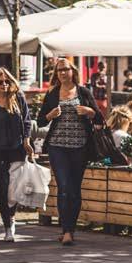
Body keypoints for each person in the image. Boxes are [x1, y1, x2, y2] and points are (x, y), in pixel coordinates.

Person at [39, 58, 103, 247]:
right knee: (64, 187)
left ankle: (70, 228)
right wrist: (50, 115)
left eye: (65, 69)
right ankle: (66, 231)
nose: (62, 73)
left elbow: (99, 117)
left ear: (72, 71)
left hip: (80, 146)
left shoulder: (83, 92)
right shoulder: (52, 94)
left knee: (74, 189)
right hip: (57, 146)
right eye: (59, 71)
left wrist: (89, 111)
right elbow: (41, 120)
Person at [0, 67, 33, 242]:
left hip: (17, 150)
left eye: (7, 81)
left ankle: (12, 215)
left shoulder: (18, 98)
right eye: (0, 82)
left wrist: (27, 141)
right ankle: (8, 227)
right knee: (2, 188)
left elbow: (26, 121)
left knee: (13, 189)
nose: (4, 85)